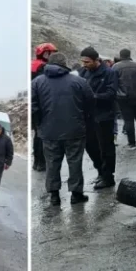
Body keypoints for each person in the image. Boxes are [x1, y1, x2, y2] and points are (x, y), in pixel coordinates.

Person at [32, 52, 95, 206]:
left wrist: (39, 126)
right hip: (75, 130)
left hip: (49, 132)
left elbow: (34, 109)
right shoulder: (79, 81)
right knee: (75, 162)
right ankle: (76, 194)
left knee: (52, 163)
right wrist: (84, 121)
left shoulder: (37, 82)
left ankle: (54, 195)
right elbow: (90, 103)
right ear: (64, 64)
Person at [77, 46, 119, 189]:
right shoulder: (82, 72)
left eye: (87, 62)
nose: (85, 65)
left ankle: (108, 177)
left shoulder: (109, 73)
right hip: (87, 116)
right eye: (83, 62)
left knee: (106, 148)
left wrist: (93, 97)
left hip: (104, 116)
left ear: (97, 60)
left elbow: (111, 93)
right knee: (90, 146)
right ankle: (100, 171)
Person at [112, 48, 136, 150]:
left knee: (128, 121)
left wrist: (116, 96)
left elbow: (113, 83)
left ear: (121, 56)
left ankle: (132, 144)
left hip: (123, 99)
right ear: (129, 55)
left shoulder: (115, 67)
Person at [32, 43, 58, 172]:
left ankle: (37, 162)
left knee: (37, 135)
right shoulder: (43, 67)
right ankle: (41, 162)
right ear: (46, 53)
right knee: (42, 135)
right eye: (52, 53)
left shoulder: (32, 64)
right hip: (42, 105)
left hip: (34, 105)